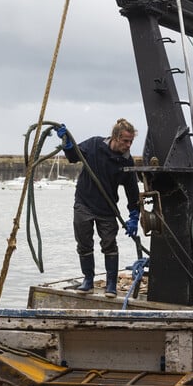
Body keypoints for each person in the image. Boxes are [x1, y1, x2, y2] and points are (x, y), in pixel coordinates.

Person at [57, 118, 141, 297]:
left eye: (131, 141)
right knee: (84, 243)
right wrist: (67, 143)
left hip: (107, 208)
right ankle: (88, 280)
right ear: (115, 137)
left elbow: (132, 190)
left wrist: (134, 215)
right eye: (126, 141)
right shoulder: (95, 144)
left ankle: (111, 284)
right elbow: (73, 157)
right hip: (84, 203)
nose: (128, 145)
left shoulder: (126, 162)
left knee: (110, 245)